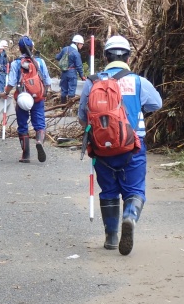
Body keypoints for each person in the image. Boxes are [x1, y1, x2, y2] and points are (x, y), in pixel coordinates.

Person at [78, 35, 162, 255]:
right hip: (132, 146)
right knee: (134, 189)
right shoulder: (138, 81)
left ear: (106, 56)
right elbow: (157, 103)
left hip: (100, 147)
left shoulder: (92, 82)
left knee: (108, 190)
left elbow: (82, 115)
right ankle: (130, 216)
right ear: (127, 56)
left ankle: (111, 238)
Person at [1, 36, 52, 163]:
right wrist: (44, 94)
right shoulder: (39, 62)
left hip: (22, 98)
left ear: (19, 48)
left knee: (22, 125)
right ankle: (39, 141)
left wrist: (5, 93)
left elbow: (12, 82)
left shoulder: (16, 63)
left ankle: (26, 155)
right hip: (37, 97)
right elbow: (46, 80)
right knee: (39, 124)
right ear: (32, 47)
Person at [55, 34, 86, 103]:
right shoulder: (76, 53)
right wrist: (82, 76)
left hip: (64, 73)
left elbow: (57, 57)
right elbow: (79, 66)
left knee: (64, 91)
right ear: (77, 43)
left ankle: (62, 108)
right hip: (72, 73)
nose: (82, 45)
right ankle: (69, 109)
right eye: (81, 44)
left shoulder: (65, 49)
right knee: (71, 91)